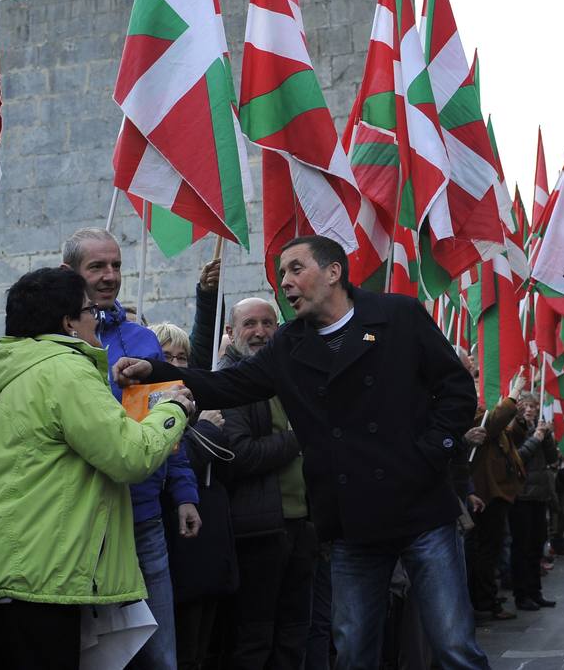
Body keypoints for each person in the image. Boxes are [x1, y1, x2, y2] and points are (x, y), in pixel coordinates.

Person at [117, 234, 485, 670]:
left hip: (421, 509)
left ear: (333, 272)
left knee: (453, 645)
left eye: (296, 268)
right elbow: (227, 385)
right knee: (351, 650)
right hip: (350, 523)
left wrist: (432, 450)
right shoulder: (289, 345)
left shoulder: (397, 316)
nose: (285, 282)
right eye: (282, 273)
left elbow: (457, 390)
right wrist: (157, 370)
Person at [0, 267, 195, 669]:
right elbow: (129, 456)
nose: (97, 321)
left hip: (4, 570)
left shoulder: (11, 376)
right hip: (37, 576)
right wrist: (171, 408)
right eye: (90, 312)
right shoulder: (65, 370)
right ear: (68, 323)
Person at [62, 227, 199, 670]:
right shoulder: (58, 340)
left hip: (143, 516)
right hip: (85, 524)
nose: (110, 276)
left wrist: (183, 492)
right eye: (97, 266)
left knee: (160, 656)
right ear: (69, 273)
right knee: (96, 657)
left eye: (116, 265)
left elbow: (166, 423)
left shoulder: (142, 340)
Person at [213, 297, 316, 670]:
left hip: (302, 525)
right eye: (250, 324)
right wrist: (300, 435)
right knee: (254, 639)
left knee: (293, 635)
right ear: (230, 332)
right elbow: (239, 454)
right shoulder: (230, 382)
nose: (260, 332)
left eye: (268, 323)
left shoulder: (290, 375)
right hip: (258, 531)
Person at [151, 322, 238, 670]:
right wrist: (204, 431)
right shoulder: (146, 405)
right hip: (172, 543)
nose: (175, 363)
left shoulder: (198, 402)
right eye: (166, 356)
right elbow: (168, 455)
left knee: (203, 647)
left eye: (181, 357)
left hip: (207, 539)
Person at [466, 369, 526, 621]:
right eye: (473, 374)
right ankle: (484, 602)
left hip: (497, 491)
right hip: (484, 492)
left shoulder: (486, 407)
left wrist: (518, 416)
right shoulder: (471, 408)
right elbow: (489, 426)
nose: (475, 378)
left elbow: (510, 437)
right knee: (485, 551)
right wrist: (512, 396)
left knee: (491, 548)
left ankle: (487, 597)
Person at [509, 394, 557, 612]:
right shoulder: (513, 430)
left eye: (533, 406)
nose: (530, 410)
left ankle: (535, 591)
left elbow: (552, 457)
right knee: (523, 547)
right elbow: (517, 457)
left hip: (539, 495)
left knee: (537, 545)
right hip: (522, 496)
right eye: (526, 406)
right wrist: (535, 438)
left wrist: (546, 437)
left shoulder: (538, 429)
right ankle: (522, 594)